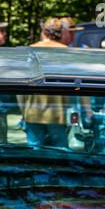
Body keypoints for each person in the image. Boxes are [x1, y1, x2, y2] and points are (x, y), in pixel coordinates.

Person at [18, 19, 74, 147]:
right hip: (57, 113)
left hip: (32, 112)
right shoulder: (66, 51)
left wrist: (23, 111)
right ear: (60, 33)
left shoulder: (29, 51)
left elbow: (20, 87)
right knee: (60, 153)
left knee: (35, 152)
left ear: (44, 32)